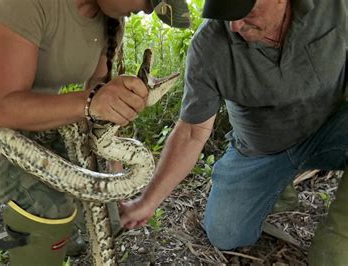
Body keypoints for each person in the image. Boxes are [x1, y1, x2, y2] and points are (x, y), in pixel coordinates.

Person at [0, 0, 190, 265]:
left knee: (108, 218)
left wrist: (112, 151)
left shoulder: (112, 20)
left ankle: (53, 242)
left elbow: (97, 93)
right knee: (50, 205)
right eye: (149, 0)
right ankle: (40, 243)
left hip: (42, 123)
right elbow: (6, 109)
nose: (148, 10)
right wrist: (91, 102)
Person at [120, 0, 347, 264]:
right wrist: (147, 201)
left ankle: (337, 242)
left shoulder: (332, 7)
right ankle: (278, 188)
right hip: (261, 151)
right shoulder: (209, 45)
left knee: (335, 252)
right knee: (226, 233)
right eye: (227, 15)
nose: (235, 26)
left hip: (329, 131)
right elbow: (193, 132)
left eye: (247, 12)